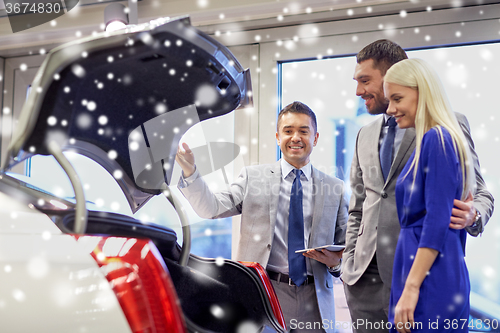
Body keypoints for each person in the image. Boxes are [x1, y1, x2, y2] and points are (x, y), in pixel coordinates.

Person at [342, 39, 494, 332]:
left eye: (364, 80)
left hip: (421, 269)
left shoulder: (446, 127)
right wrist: (348, 262)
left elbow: (480, 192)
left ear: (394, 76)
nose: (359, 91)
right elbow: (358, 206)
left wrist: (473, 214)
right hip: (363, 280)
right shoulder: (363, 134)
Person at [176, 101, 348, 333]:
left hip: (315, 298)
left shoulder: (334, 188)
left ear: (315, 138)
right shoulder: (252, 178)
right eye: (288, 131)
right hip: (263, 292)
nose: (295, 137)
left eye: (303, 131)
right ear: (278, 137)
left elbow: (347, 251)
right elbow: (211, 208)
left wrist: (336, 263)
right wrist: (190, 173)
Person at [384, 58, 473, 332]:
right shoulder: (433, 140)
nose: (390, 109)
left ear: (423, 91)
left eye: (397, 98)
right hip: (427, 267)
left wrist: (411, 288)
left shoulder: (438, 139)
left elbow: (437, 220)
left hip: (428, 274)